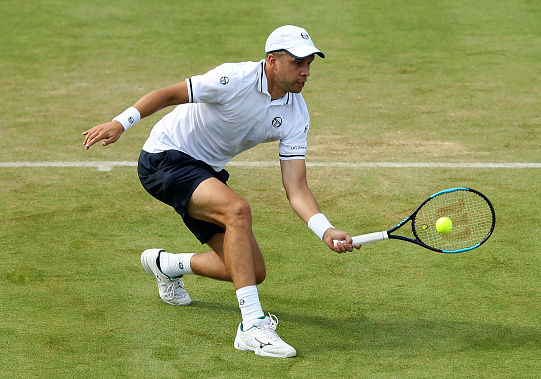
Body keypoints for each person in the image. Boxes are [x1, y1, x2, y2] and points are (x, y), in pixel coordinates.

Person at [82, 25, 359, 358]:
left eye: (310, 63)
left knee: (250, 271)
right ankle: (252, 325)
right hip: (164, 157)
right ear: (272, 61)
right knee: (236, 210)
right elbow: (170, 94)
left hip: (204, 171)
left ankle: (167, 264)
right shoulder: (233, 79)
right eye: (298, 62)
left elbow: (296, 186)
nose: (306, 71)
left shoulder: (296, 113)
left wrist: (324, 228)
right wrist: (120, 122)